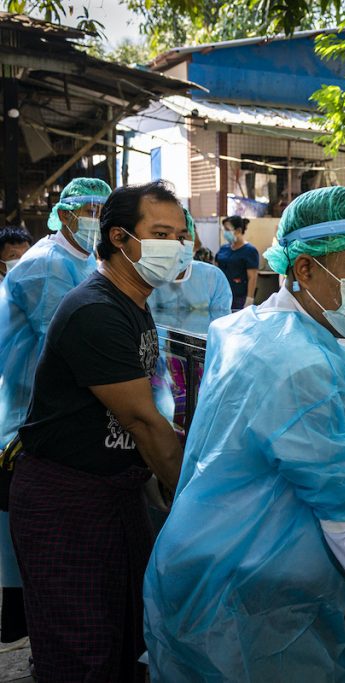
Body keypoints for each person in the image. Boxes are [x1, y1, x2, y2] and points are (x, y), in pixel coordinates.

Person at [143, 186, 345, 682]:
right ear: (304, 270)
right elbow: (340, 497)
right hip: (252, 590)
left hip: (205, 556)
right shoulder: (301, 362)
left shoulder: (247, 326)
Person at [9, 180, 186, 683]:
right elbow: (141, 420)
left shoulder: (134, 300)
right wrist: (193, 494)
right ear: (120, 237)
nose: (172, 246)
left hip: (114, 492)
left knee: (125, 637)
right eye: (159, 233)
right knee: (80, 650)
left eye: (178, 234)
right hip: (66, 500)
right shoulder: (97, 310)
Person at [0, 178, 111, 644]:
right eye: (90, 211)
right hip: (27, 417)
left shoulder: (78, 259)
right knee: (36, 545)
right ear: (65, 215)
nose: (97, 220)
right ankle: (44, 643)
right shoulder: (48, 265)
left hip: (43, 409)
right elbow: (68, 347)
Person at [151, 211, 232, 315]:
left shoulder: (212, 278)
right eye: (162, 235)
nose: (174, 245)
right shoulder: (145, 279)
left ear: (193, 242)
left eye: (181, 238)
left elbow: (219, 322)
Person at [215, 215, 259, 309]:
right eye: (224, 229)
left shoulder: (250, 251)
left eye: (227, 229)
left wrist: (249, 299)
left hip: (239, 297)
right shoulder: (223, 249)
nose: (225, 232)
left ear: (238, 231)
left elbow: (252, 277)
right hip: (222, 295)